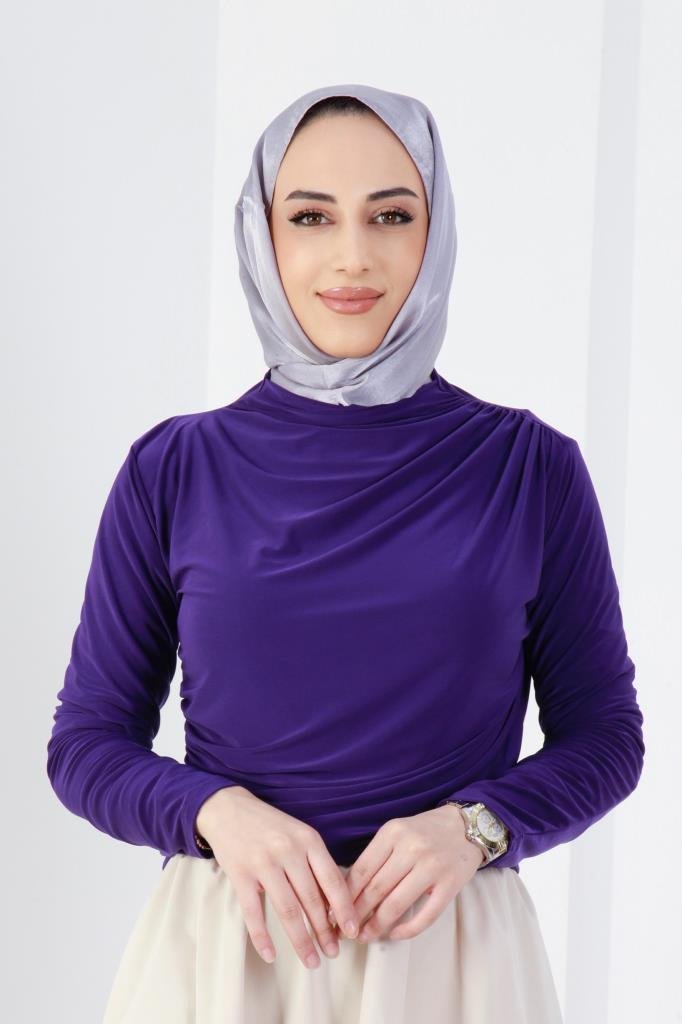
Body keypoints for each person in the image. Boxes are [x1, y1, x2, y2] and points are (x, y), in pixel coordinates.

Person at [46, 83, 645, 1023]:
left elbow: (606, 736)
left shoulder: (530, 468)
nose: (353, 256)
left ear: (435, 234)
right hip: (228, 952)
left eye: (392, 215)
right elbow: (86, 744)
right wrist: (216, 813)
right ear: (263, 235)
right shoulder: (175, 468)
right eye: (311, 216)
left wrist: (478, 827)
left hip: (452, 960)